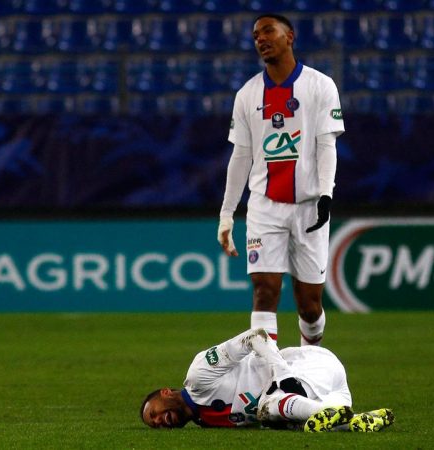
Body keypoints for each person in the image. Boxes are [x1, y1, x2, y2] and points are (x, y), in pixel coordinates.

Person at [217, 14, 344, 346]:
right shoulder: (247, 94)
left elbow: (326, 146)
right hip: (265, 206)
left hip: (309, 206)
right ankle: (268, 373)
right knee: (264, 290)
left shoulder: (321, 85)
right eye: (256, 35)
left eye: (268, 31)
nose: (261, 38)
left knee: (309, 305)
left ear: (290, 36)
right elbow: (241, 157)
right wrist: (227, 214)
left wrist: (326, 196)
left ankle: (310, 364)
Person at [140, 328, 394, 432]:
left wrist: (283, 375)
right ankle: (358, 420)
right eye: (154, 425)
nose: (158, 421)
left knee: (268, 406)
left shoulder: (199, 375)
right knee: (292, 423)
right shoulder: (206, 420)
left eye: (153, 413)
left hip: (309, 366)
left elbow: (255, 336)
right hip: (328, 392)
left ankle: (326, 412)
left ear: (165, 392)